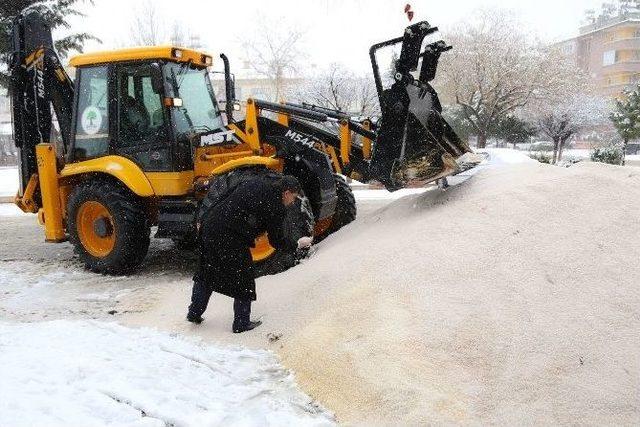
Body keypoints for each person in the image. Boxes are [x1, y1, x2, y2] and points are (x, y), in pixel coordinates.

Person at [187, 173, 313, 333]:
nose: (292, 202)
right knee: (244, 277)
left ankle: (194, 313)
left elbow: (224, 196)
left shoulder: (256, 182)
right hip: (229, 235)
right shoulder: (275, 206)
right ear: (286, 193)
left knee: (207, 270)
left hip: (210, 225)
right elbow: (276, 241)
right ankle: (241, 323)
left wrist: (204, 218)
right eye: (293, 197)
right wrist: (297, 244)